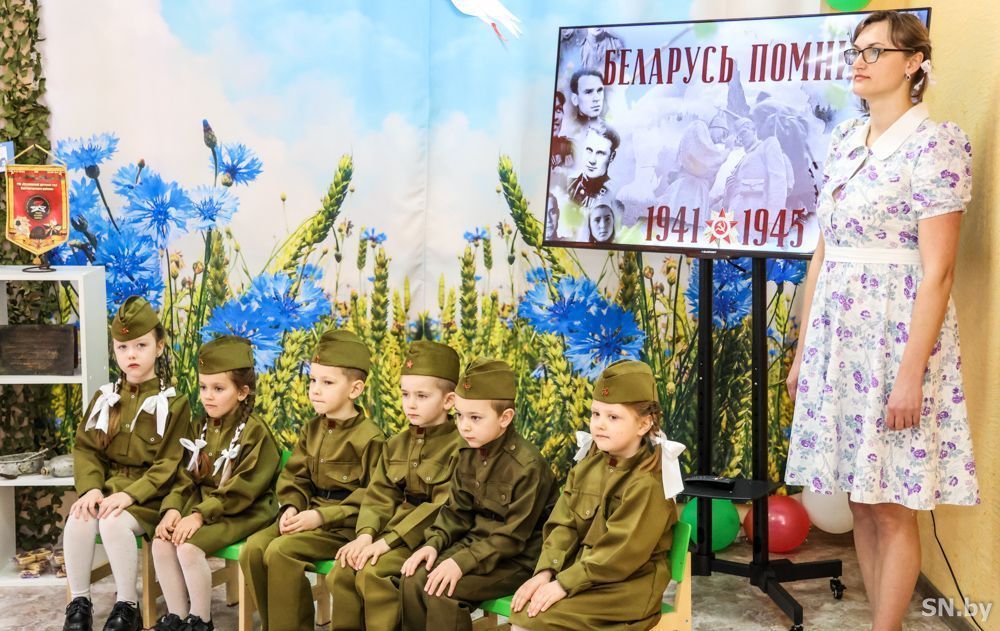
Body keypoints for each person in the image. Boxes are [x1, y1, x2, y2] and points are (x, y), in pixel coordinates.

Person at [784, 11, 979, 631]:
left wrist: (910, 374)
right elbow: (823, 253)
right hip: (838, 342)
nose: (860, 62)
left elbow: (938, 272)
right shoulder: (845, 138)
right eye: (856, 50)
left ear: (914, 62)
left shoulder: (936, 144)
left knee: (892, 505)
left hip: (895, 343)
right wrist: (804, 352)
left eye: (876, 51)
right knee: (861, 500)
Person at [509, 360, 685, 631]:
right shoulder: (585, 469)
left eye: (613, 417)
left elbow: (619, 553)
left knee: (534, 618)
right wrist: (547, 571)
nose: (599, 425)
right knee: (527, 609)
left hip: (628, 586)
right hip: (586, 574)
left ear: (643, 424)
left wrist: (564, 584)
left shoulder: (648, 484)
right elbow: (563, 526)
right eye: (595, 414)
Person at [239, 329, 385, 631]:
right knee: (253, 549)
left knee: (281, 552)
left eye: (327, 382)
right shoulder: (312, 429)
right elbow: (295, 476)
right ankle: (276, 626)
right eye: (313, 380)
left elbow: (373, 496)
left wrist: (320, 517)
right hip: (307, 515)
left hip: (343, 528)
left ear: (355, 389)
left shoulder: (370, 437)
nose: (315, 390)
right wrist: (291, 507)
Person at [399, 358, 559, 631]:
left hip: (516, 560)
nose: (464, 426)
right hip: (474, 545)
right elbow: (456, 513)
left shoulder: (527, 466)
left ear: (505, 418)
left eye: (475, 418)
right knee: (412, 578)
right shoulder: (467, 452)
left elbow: (512, 538)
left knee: (443, 591)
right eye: (459, 415)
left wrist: (461, 562)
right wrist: (433, 544)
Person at [63, 297, 191, 631]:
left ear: (159, 347)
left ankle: (127, 605)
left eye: (140, 345)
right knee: (79, 518)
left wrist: (130, 495)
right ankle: (79, 603)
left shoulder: (174, 403)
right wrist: (91, 489)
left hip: (150, 497)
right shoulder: (106, 398)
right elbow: (87, 449)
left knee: (112, 522)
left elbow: (170, 463)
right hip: (108, 490)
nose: (131, 354)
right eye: (122, 347)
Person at [328, 340, 465, 630]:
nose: (410, 403)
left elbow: (442, 507)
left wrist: (387, 542)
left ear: (449, 401)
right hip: (393, 532)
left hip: (430, 538)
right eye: (405, 394)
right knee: (343, 569)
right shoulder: (396, 444)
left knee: (373, 573)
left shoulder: (461, 447)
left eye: (422, 396)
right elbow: (379, 494)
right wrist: (366, 535)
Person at [151, 336, 280, 631]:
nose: (208, 396)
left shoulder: (255, 432)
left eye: (218, 389)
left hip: (245, 510)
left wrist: (198, 516)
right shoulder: (200, 427)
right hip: (208, 507)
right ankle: (177, 617)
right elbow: (185, 476)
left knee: (188, 548)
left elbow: (244, 489)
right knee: (161, 542)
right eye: (203, 387)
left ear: (242, 392)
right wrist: (173, 509)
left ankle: (200, 620)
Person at [567, 123, 619, 208]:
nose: (592, 160)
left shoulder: (615, 196)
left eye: (600, 153)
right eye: (589, 150)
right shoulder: (568, 184)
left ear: (612, 156)